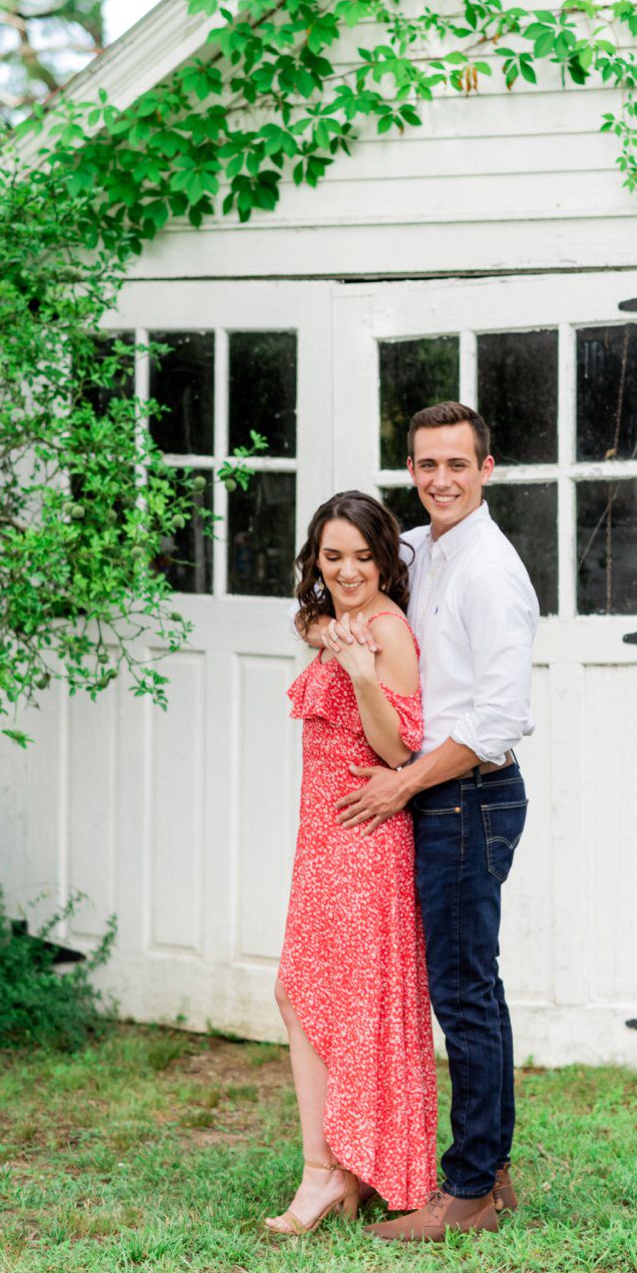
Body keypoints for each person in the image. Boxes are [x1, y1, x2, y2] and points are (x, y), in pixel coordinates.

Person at [322, 402, 539, 1242]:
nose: (441, 479)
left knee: (463, 991)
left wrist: (399, 783)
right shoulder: (418, 549)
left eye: (457, 464)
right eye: (425, 465)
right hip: (437, 795)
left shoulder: (491, 571)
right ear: (411, 469)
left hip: (470, 797)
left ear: (488, 468)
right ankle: (497, 1166)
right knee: (471, 981)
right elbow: (338, 586)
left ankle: (471, 1188)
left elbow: (496, 722)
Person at [266, 491, 438, 1235]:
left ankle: (324, 1174)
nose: (346, 570)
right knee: (312, 994)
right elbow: (308, 618)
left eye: (362, 557)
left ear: (384, 559)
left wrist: (364, 673)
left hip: (364, 831)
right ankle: (352, 1165)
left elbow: (397, 750)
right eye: (332, 556)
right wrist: (329, 630)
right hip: (323, 835)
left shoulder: (389, 632)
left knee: (311, 995)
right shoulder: (333, 620)